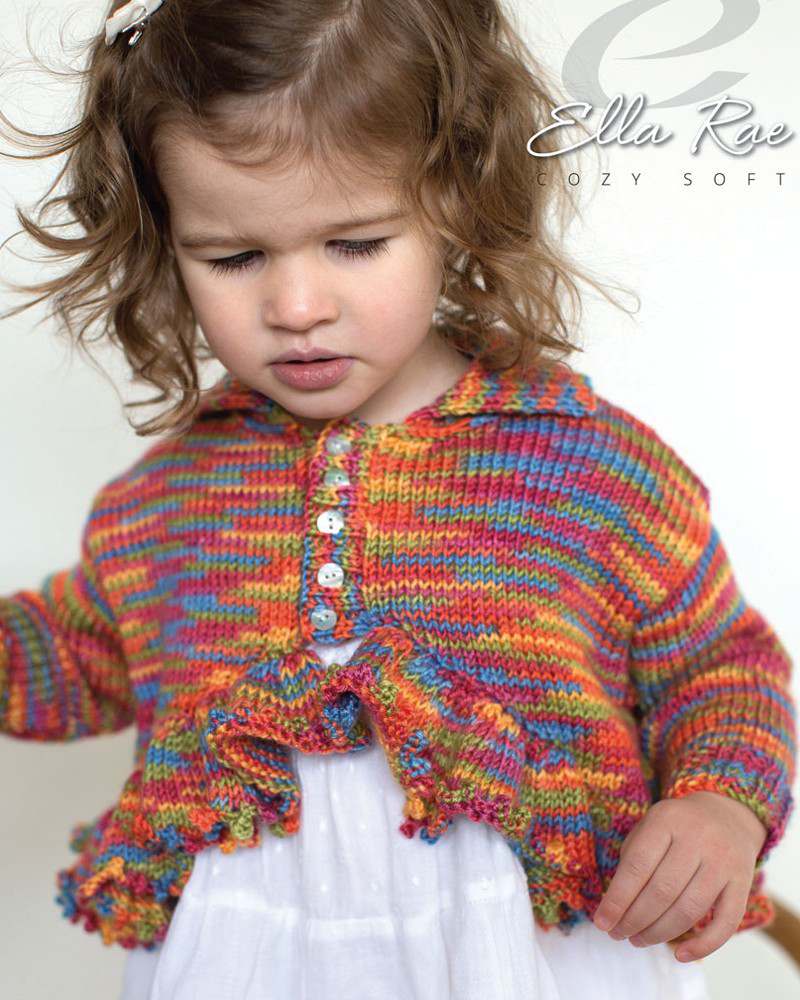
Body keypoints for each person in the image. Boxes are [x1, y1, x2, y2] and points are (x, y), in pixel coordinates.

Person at [0, 2, 795, 999]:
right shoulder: (168, 500)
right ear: (166, 244)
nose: (296, 307)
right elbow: (77, 650)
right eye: (233, 257)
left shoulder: (587, 470)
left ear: (454, 202)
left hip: (521, 961)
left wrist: (722, 803)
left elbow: (720, 666)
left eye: (356, 242)